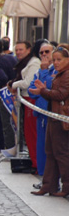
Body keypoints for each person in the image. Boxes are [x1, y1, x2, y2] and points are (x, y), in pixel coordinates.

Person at [29, 44, 69, 197]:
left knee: (62, 153)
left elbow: (61, 94)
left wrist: (43, 91)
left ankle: (66, 186)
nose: (56, 63)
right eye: (55, 60)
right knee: (51, 152)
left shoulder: (66, 75)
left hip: (61, 118)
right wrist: (42, 89)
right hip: (53, 116)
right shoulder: (59, 74)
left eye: (59, 60)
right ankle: (48, 185)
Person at [10, 40, 42, 164]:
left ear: (28, 50)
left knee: (31, 132)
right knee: (29, 131)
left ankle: (35, 162)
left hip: (31, 98)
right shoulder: (27, 62)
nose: (18, 52)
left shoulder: (34, 63)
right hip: (26, 98)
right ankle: (34, 160)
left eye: (21, 49)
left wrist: (13, 84)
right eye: (16, 50)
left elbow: (28, 83)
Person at [28, 42, 57, 176]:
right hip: (40, 113)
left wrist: (44, 71)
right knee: (41, 147)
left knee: (51, 149)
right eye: (42, 52)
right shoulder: (40, 70)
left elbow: (47, 88)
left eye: (47, 51)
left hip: (51, 114)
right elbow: (32, 91)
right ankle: (42, 175)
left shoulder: (54, 70)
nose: (44, 55)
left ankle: (49, 177)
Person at [0, 38, 18, 154]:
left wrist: (5, 85)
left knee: (6, 123)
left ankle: (9, 149)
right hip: (16, 92)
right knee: (16, 122)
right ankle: (16, 147)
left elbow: (3, 78)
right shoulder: (12, 58)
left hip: (6, 94)